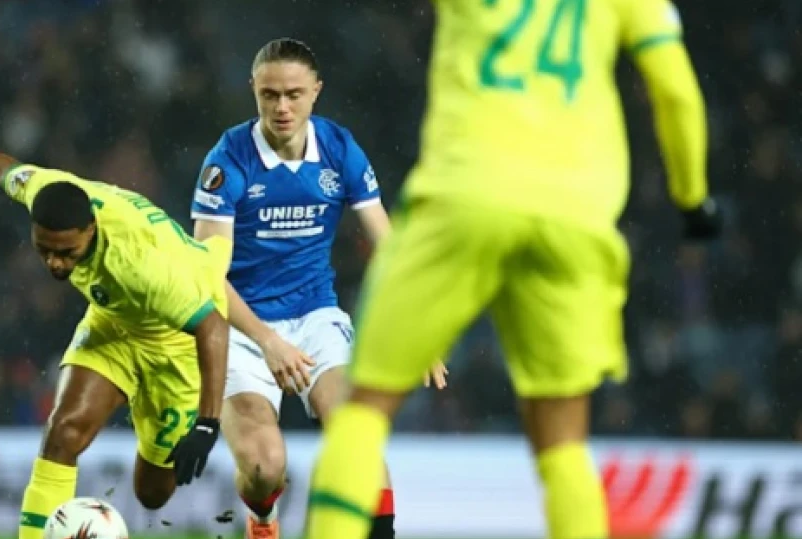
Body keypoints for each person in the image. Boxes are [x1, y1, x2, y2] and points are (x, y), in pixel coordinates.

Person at [305, 1, 722, 538]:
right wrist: (693, 198)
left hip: (464, 195)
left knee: (363, 413)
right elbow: (676, 91)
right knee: (563, 443)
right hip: (572, 213)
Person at [0, 113, 231, 539]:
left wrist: (207, 423)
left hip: (176, 343)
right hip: (115, 322)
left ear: (91, 229)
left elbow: (213, 328)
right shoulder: (45, 190)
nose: (55, 263)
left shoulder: (138, 265)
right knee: (63, 433)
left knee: (152, 493)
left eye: (67, 252)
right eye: (44, 250)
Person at [189, 38, 448, 539]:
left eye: (293, 94)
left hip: (315, 315)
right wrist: (267, 340)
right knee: (264, 467)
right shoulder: (228, 161)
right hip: (241, 324)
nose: (281, 107)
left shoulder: (339, 148)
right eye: (269, 95)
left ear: (316, 92)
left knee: (354, 433)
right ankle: (262, 517)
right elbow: (207, 276)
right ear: (254, 90)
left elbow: (388, 245)